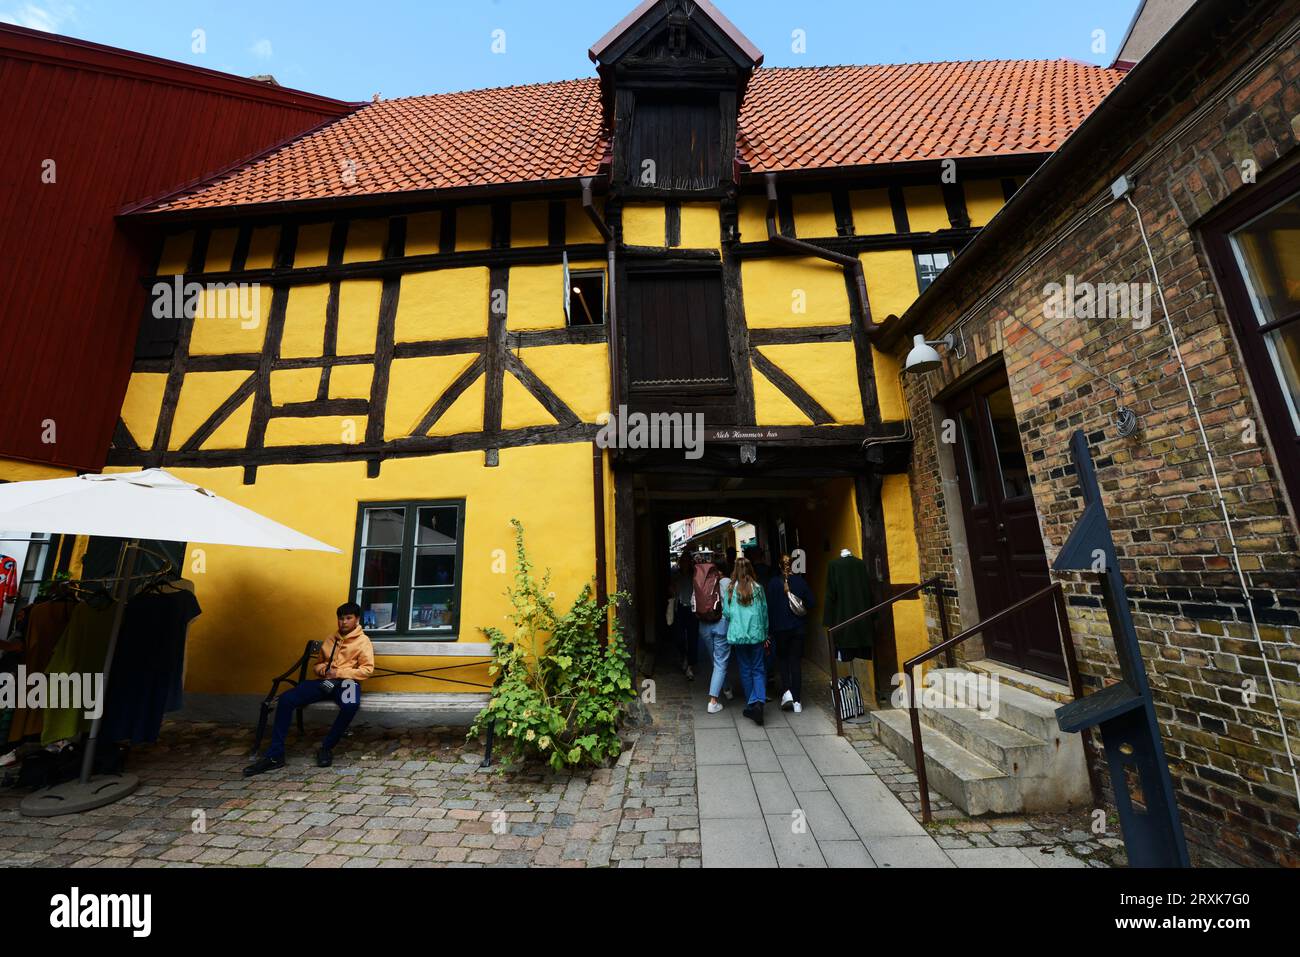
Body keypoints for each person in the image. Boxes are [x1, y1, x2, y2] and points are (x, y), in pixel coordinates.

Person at [244, 602, 375, 776]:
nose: (344, 622)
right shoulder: (331, 639)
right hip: (324, 682)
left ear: (357, 620)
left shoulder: (363, 641)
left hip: (348, 683)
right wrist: (324, 670)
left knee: (350, 705)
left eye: (348, 618)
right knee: (286, 699)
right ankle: (275, 756)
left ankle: (326, 748)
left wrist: (339, 672)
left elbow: (367, 670)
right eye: (341, 618)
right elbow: (318, 664)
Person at [766, 554, 815, 714]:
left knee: (783, 662)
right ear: (792, 565)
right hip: (797, 628)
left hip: (779, 629)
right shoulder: (800, 582)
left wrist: (769, 629)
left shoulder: (773, 583)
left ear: (779, 566)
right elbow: (811, 602)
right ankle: (798, 701)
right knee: (795, 663)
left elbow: (768, 607)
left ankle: (787, 693)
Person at [723, 556, 769, 725]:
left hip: (739, 636)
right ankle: (760, 703)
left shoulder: (731, 588)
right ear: (750, 569)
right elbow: (764, 612)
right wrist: (765, 632)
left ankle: (751, 705)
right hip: (757, 635)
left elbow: (726, 613)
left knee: (745, 669)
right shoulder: (758, 588)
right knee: (758, 668)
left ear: (735, 570)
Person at [697, 554, 733, 714]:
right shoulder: (727, 582)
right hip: (721, 625)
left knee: (715, 661)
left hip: (704, 625)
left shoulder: (701, 581)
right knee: (720, 663)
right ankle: (713, 701)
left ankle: (726, 688)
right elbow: (731, 606)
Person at [669, 552, 698, 680]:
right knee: (679, 637)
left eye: (687, 561)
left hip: (693, 608)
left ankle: (690, 666)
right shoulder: (676, 575)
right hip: (680, 607)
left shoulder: (695, 574)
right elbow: (670, 589)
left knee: (693, 637)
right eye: (683, 561)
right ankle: (684, 656)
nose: (685, 563)